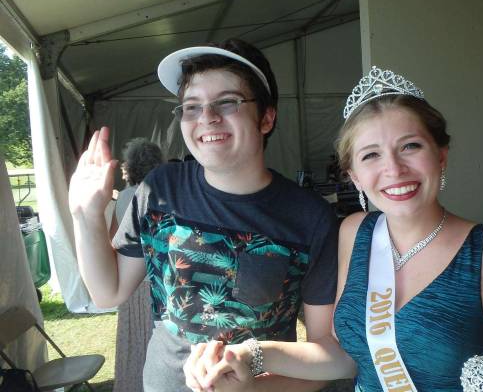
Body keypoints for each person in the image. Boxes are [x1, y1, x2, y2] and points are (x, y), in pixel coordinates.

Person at [188, 67, 483, 392]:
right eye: (371, 154)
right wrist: (251, 356)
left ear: (441, 156)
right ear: (354, 175)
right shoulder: (356, 233)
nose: (393, 169)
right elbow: (343, 355)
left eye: (410, 147)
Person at [68, 38, 338, 392]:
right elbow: (108, 293)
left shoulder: (310, 217)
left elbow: (329, 355)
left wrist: (253, 387)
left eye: (227, 102)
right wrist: (86, 216)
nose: (207, 118)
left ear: (267, 117)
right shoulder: (160, 189)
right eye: (191, 107)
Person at [111, 137, 163, 392]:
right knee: (157, 340)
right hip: (154, 281)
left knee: (133, 341)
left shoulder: (123, 197)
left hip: (128, 281)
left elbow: (114, 240)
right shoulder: (159, 195)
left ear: (130, 167)